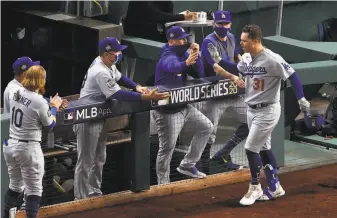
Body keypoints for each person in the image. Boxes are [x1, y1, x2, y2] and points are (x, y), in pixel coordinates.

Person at [207, 24, 310, 206]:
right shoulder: (247, 57)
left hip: (268, 110)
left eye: (244, 41)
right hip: (251, 109)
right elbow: (237, 68)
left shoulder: (272, 59)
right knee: (263, 149)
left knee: (250, 148)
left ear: (254, 41)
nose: (241, 44)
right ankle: (275, 186)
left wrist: (301, 99)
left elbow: (292, 75)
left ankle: (255, 187)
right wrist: (219, 61)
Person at [73, 37, 169, 200]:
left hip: (99, 116)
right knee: (86, 161)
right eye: (117, 52)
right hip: (86, 119)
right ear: (108, 54)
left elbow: (120, 77)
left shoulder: (106, 63)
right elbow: (118, 94)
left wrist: (137, 87)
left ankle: (94, 192)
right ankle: (80, 199)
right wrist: (144, 97)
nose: (119, 54)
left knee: (99, 157)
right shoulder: (100, 71)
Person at [152, 26, 214, 184]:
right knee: (167, 149)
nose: (185, 41)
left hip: (184, 106)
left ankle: (187, 165)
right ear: (172, 41)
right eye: (181, 39)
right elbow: (172, 66)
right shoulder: (167, 54)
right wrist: (186, 62)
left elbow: (198, 73)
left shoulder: (183, 53)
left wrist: (196, 55)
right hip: (167, 112)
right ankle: (163, 185)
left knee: (206, 126)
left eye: (186, 38)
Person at [2, 65, 63, 218]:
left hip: (11, 146)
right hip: (28, 148)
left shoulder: (16, 92)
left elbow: (28, 103)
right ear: (41, 80)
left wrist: (48, 105)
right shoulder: (39, 102)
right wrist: (54, 107)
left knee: (15, 186)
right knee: (34, 191)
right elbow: (50, 124)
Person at [199, 10, 248, 174]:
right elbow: (216, 67)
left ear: (230, 24)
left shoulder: (233, 38)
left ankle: (224, 152)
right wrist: (234, 77)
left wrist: (245, 66)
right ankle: (203, 168)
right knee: (209, 132)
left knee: (252, 120)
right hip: (213, 92)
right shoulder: (208, 42)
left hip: (233, 91)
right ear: (214, 24)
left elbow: (236, 57)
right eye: (219, 24)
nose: (222, 27)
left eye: (225, 24)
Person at [123, 1, 197, 42]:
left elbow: (167, 13)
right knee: (177, 44)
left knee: (181, 41)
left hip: (152, 33)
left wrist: (182, 16)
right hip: (137, 36)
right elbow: (155, 15)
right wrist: (183, 17)